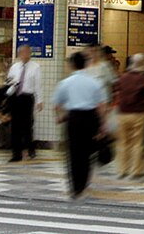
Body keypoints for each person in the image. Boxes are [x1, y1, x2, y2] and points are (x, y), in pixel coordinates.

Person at [52, 51, 109, 200]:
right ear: (86, 64)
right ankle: (83, 184)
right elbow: (102, 106)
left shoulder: (66, 82)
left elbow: (57, 104)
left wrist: (60, 117)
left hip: (74, 118)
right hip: (90, 118)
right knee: (87, 153)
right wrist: (102, 124)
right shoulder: (94, 82)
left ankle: (75, 187)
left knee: (73, 153)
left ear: (72, 65)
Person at [115, 53, 144, 178]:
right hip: (139, 113)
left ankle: (122, 170)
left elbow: (116, 92)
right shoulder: (143, 79)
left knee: (123, 142)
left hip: (123, 113)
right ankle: (135, 170)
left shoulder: (122, 77)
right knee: (137, 142)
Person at [6, 45, 43, 161]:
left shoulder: (35, 67)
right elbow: (9, 81)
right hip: (15, 97)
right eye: (22, 52)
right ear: (19, 54)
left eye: (27, 52)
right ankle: (16, 154)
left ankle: (30, 148)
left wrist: (39, 100)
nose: (25, 55)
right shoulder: (14, 67)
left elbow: (38, 85)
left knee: (27, 125)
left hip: (27, 97)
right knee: (15, 126)